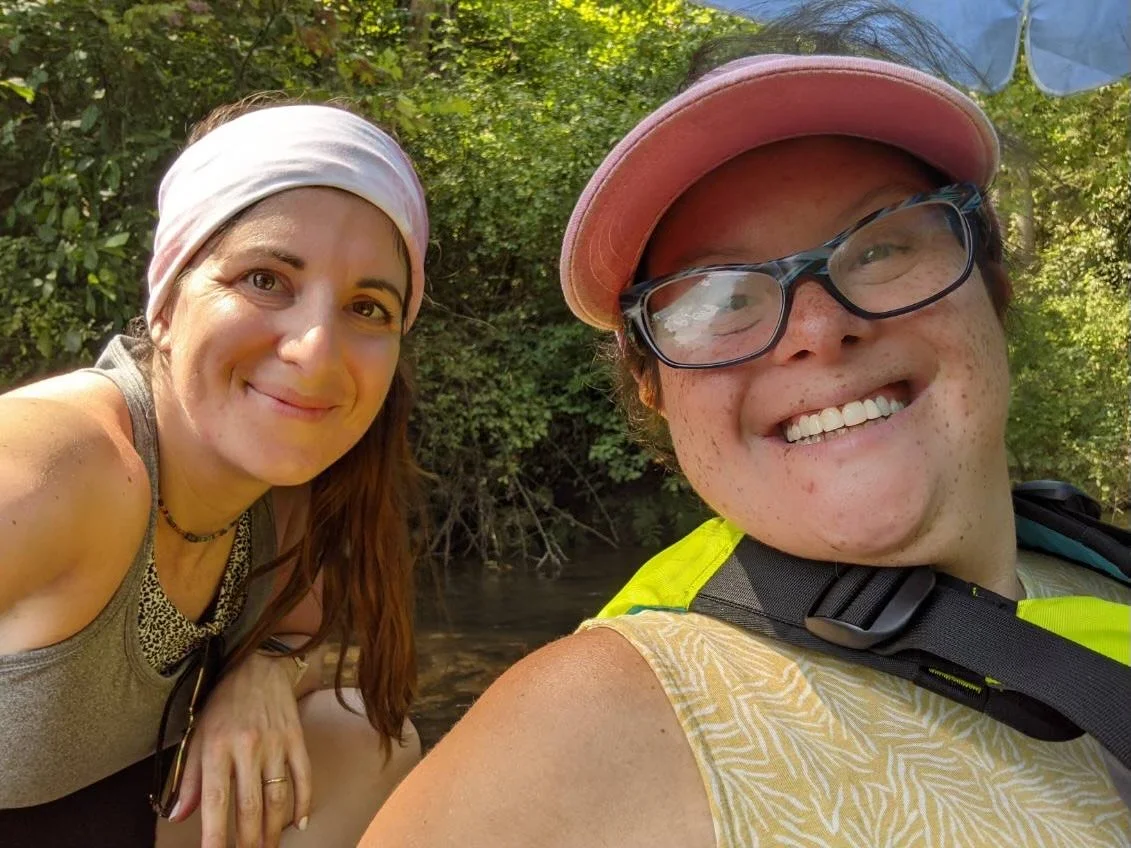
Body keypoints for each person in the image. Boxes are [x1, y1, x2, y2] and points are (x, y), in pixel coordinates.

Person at [360, 7, 1131, 848]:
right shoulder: (581, 734)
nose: (814, 329)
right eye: (715, 298)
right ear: (650, 386)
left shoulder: (1089, 562)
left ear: (992, 285)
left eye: (878, 248)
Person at [0, 96, 430, 847]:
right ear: (164, 303)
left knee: (363, 737)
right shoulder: (57, 466)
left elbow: (303, 633)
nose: (315, 351)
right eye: (266, 279)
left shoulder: (284, 498)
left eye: (367, 307)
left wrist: (260, 672)